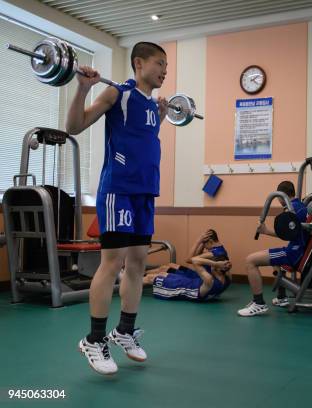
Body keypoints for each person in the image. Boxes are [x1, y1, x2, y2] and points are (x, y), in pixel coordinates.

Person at [66, 42, 169, 375]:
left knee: (139, 262)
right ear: (139, 63)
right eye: (159, 64)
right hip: (118, 191)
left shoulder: (153, 107)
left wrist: (162, 117)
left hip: (144, 193)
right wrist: (82, 88)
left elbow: (140, 139)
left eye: (166, 66)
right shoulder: (116, 94)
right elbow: (75, 126)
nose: (165, 70)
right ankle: (94, 339)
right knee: (113, 263)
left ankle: (124, 330)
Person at [237, 181, 308, 317]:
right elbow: (293, 233)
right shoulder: (301, 206)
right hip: (298, 250)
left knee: (250, 261)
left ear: (281, 196)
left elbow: (287, 235)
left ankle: (259, 303)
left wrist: (265, 230)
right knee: (274, 259)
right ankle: (281, 297)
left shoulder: (292, 209)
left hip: (294, 253)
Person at [144, 230, 231, 301]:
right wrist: (203, 243)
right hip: (199, 278)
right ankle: (142, 275)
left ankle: (138, 279)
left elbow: (189, 259)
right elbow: (195, 257)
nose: (204, 247)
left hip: (198, 279)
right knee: (168, 266)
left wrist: (199, 241)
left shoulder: (214, 254)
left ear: (210, 241)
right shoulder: (218, 252)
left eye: (204, 244)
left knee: (159, 273)